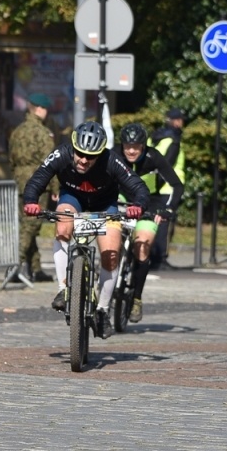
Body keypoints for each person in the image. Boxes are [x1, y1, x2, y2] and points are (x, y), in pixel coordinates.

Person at [20, 119, 151, 337]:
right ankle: (63, 290)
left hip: (105, 205)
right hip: (73, 198)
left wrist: (138, 205)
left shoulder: (111, 160)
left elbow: (139, 186)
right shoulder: (61, 153)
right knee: (63, 227)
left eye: (90, 156)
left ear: (100, 154)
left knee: (111, 253)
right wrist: (31, 201)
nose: (83, 160)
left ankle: (102, 310)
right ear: (73, 147)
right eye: (79, 153)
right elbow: (38, 178)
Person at [115, 122, 184, 321]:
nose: (131, 151)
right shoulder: (113, 155)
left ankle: (136, 298)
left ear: (143, 146)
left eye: (136, 147)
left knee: (142, 247)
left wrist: (168, 209)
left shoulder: (154, 157)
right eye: (127, 146)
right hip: (120, 200)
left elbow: (176, 185)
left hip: (149, 203)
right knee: (110, 240)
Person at [9, 94, 57, 282]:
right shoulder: (43, 133)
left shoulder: (17, 131)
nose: (47, 112)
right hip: (38, 183)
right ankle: (14, 265)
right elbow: (50, 162)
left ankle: (36, 269)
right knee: (30, 226)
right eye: (45, 108)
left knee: (28, 224)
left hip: (20, 181)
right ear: (38, 109)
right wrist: (55, 188)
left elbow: (11, 160)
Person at [147, 108, 187, 267]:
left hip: (151, 186)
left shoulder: (154, 138)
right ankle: (160, 258)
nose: (182, 122)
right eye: (180, 119)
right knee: (165, 223)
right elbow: (167, 166)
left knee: (152, 221)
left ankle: (150, 256)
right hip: (169, 188)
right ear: (176, 121)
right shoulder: (173, 140)